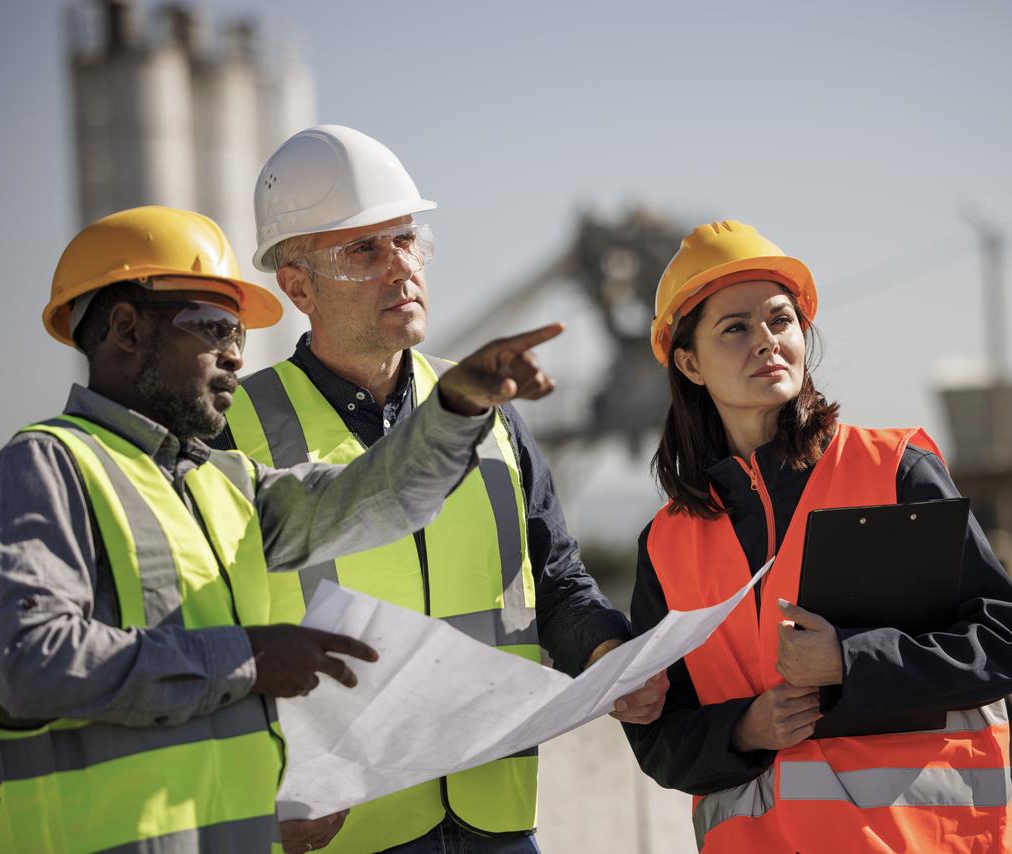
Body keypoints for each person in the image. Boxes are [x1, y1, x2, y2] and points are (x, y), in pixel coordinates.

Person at [0, 205, 565, 854]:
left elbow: (381, 498)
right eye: (211, 326)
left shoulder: (223, 483)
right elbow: (32, 663)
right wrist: (249, 657)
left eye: (239, 334)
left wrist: (457, 404)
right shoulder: (44, 468)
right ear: (126, 329)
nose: (233, 355)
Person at [210, 124, 668, 853]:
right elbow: (201, 645)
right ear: (297, 285)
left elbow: (554, 582)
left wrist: (607, 657)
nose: (400, 268)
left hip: (496, 817)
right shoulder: (230, 433)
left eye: (407, 240)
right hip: (338, 833)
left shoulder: (490, 413)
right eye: (364, 249)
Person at [623, 220, 1012, 853]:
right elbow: (658, 743)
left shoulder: (893, 470)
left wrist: (848, 659)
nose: (767, 342)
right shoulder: (666, 546)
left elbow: (998, 645)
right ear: (689, 363)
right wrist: (744, 730)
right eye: (736, 327)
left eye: (781, 321)